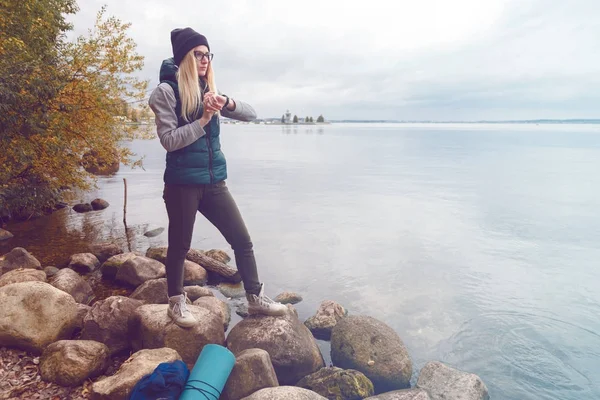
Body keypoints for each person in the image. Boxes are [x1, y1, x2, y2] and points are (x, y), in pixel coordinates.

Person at [148, 27, 287, 327]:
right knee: (179, 245)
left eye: (208, 55)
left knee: (242, 239)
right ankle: (176, 301)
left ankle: (255, 298)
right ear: (184, 57)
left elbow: (252, 114)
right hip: (182, 184)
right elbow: (170, 140)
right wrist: (203, 119)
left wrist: (226, 103)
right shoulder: (166, 91)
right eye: (198, 54)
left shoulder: (208, 89)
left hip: (213, 183)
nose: (204, 60)